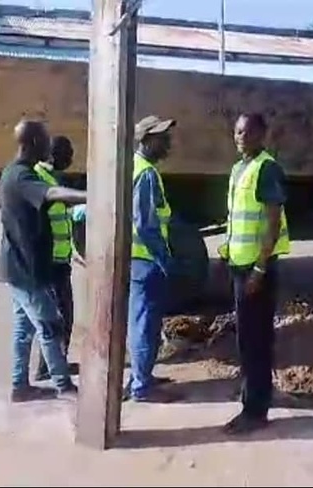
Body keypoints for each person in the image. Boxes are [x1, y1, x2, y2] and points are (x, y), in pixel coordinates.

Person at [0, 120, 86, 403]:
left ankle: (19, 386)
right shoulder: (22, 177)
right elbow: (53, 194)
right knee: (49, 325)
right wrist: (94, 196)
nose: (49, 146)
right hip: (27, 269)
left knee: (24, 329)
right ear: (34, 142)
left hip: (17, 266)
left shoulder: (12, 173)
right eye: (46, 140)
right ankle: (63, 386)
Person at [217, 112, 290, 434]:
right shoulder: (239, 169)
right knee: (246, 339)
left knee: (257, 340)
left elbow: (273, 223)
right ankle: (252, 398)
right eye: (236, 132)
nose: (240, 137)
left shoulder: (266, 168)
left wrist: (260, 268)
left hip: (257, 269)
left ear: (261, 134)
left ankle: (255, 411)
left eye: (247, 132)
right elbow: (236, 219)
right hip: (240, 265)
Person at [124, 115, 178, 402]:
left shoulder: (134, 167)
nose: (168, 142)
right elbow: (145, 223)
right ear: (146, 140)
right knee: (145, 324)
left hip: (134, 260)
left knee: (137, 321)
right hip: (145, 261)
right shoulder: (145, 173)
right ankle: (141, 387)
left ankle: (139, 377)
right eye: (162, 137)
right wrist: (163, 258)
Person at [33, 135, 76, 382]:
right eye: (67, 153)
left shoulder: (50, 177)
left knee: (58, 316)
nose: (70, 159)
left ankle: (55, 363)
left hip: (60, 259)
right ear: (53, 155)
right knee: (58, 316)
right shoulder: (42, 178)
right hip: (51, 263)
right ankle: (48, 367)